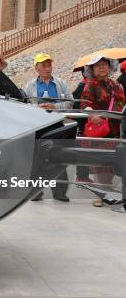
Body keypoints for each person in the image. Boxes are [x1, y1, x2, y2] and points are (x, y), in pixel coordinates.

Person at [23, 53, 72, 202]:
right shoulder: (30, 85)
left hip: (57, 124)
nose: (47, 67)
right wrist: (36, 108)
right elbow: (25, 104)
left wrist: (54, 106)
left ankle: (60, 192)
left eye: (49, 64)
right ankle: (35, 192)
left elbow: (70, 102)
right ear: (36, 68)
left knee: (58, 156)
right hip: (37, 124)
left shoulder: (61, 83)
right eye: (43, 65)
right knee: (36, 158)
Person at [80, 55, 125, 207]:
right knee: (100, 163)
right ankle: (100, 194)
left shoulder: (116, 85)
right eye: (97, 65)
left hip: (115, 129)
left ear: (109, 66)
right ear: (92, 69)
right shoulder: (90, 85)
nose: (101, 67)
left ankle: (107, 190)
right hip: (100, 130)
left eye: (104, 64)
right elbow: (84, 105)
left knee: (111, 163)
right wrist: (91, 114)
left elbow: (122, 103)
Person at [72, 73, 92, 183]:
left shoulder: (84, 84)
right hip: (84, 124)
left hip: (83, 124)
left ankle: (83, 177)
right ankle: (82, 177)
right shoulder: (83, 86)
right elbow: (77, 105)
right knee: (82, 151)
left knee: (83, 151)